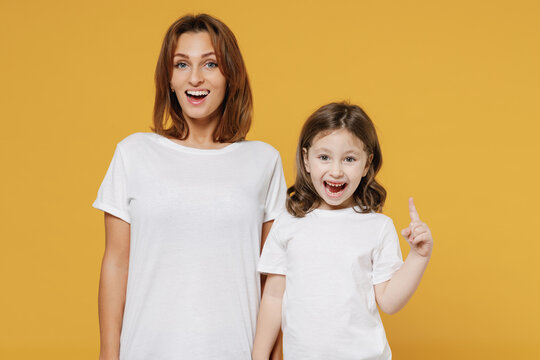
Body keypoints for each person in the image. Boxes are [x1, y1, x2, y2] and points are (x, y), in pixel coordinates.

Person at [93, 14, 286, 360]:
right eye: (181, 64)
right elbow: (116, 265)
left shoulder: (264, 161)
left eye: (210, 63)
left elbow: (273, 277)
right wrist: (109, 355)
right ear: (168, 78)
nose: (195, 78)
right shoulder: (133, 154)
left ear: (231, 75)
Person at [252, 102, 434, 360]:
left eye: (349, 159)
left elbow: (389, 302)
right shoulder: (288, 223)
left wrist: (418, 257)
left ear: (367, 164)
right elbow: (273, 296)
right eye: (324, 157)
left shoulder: (378, 227)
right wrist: (258, 357)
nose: (336, 171)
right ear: (306, 160)